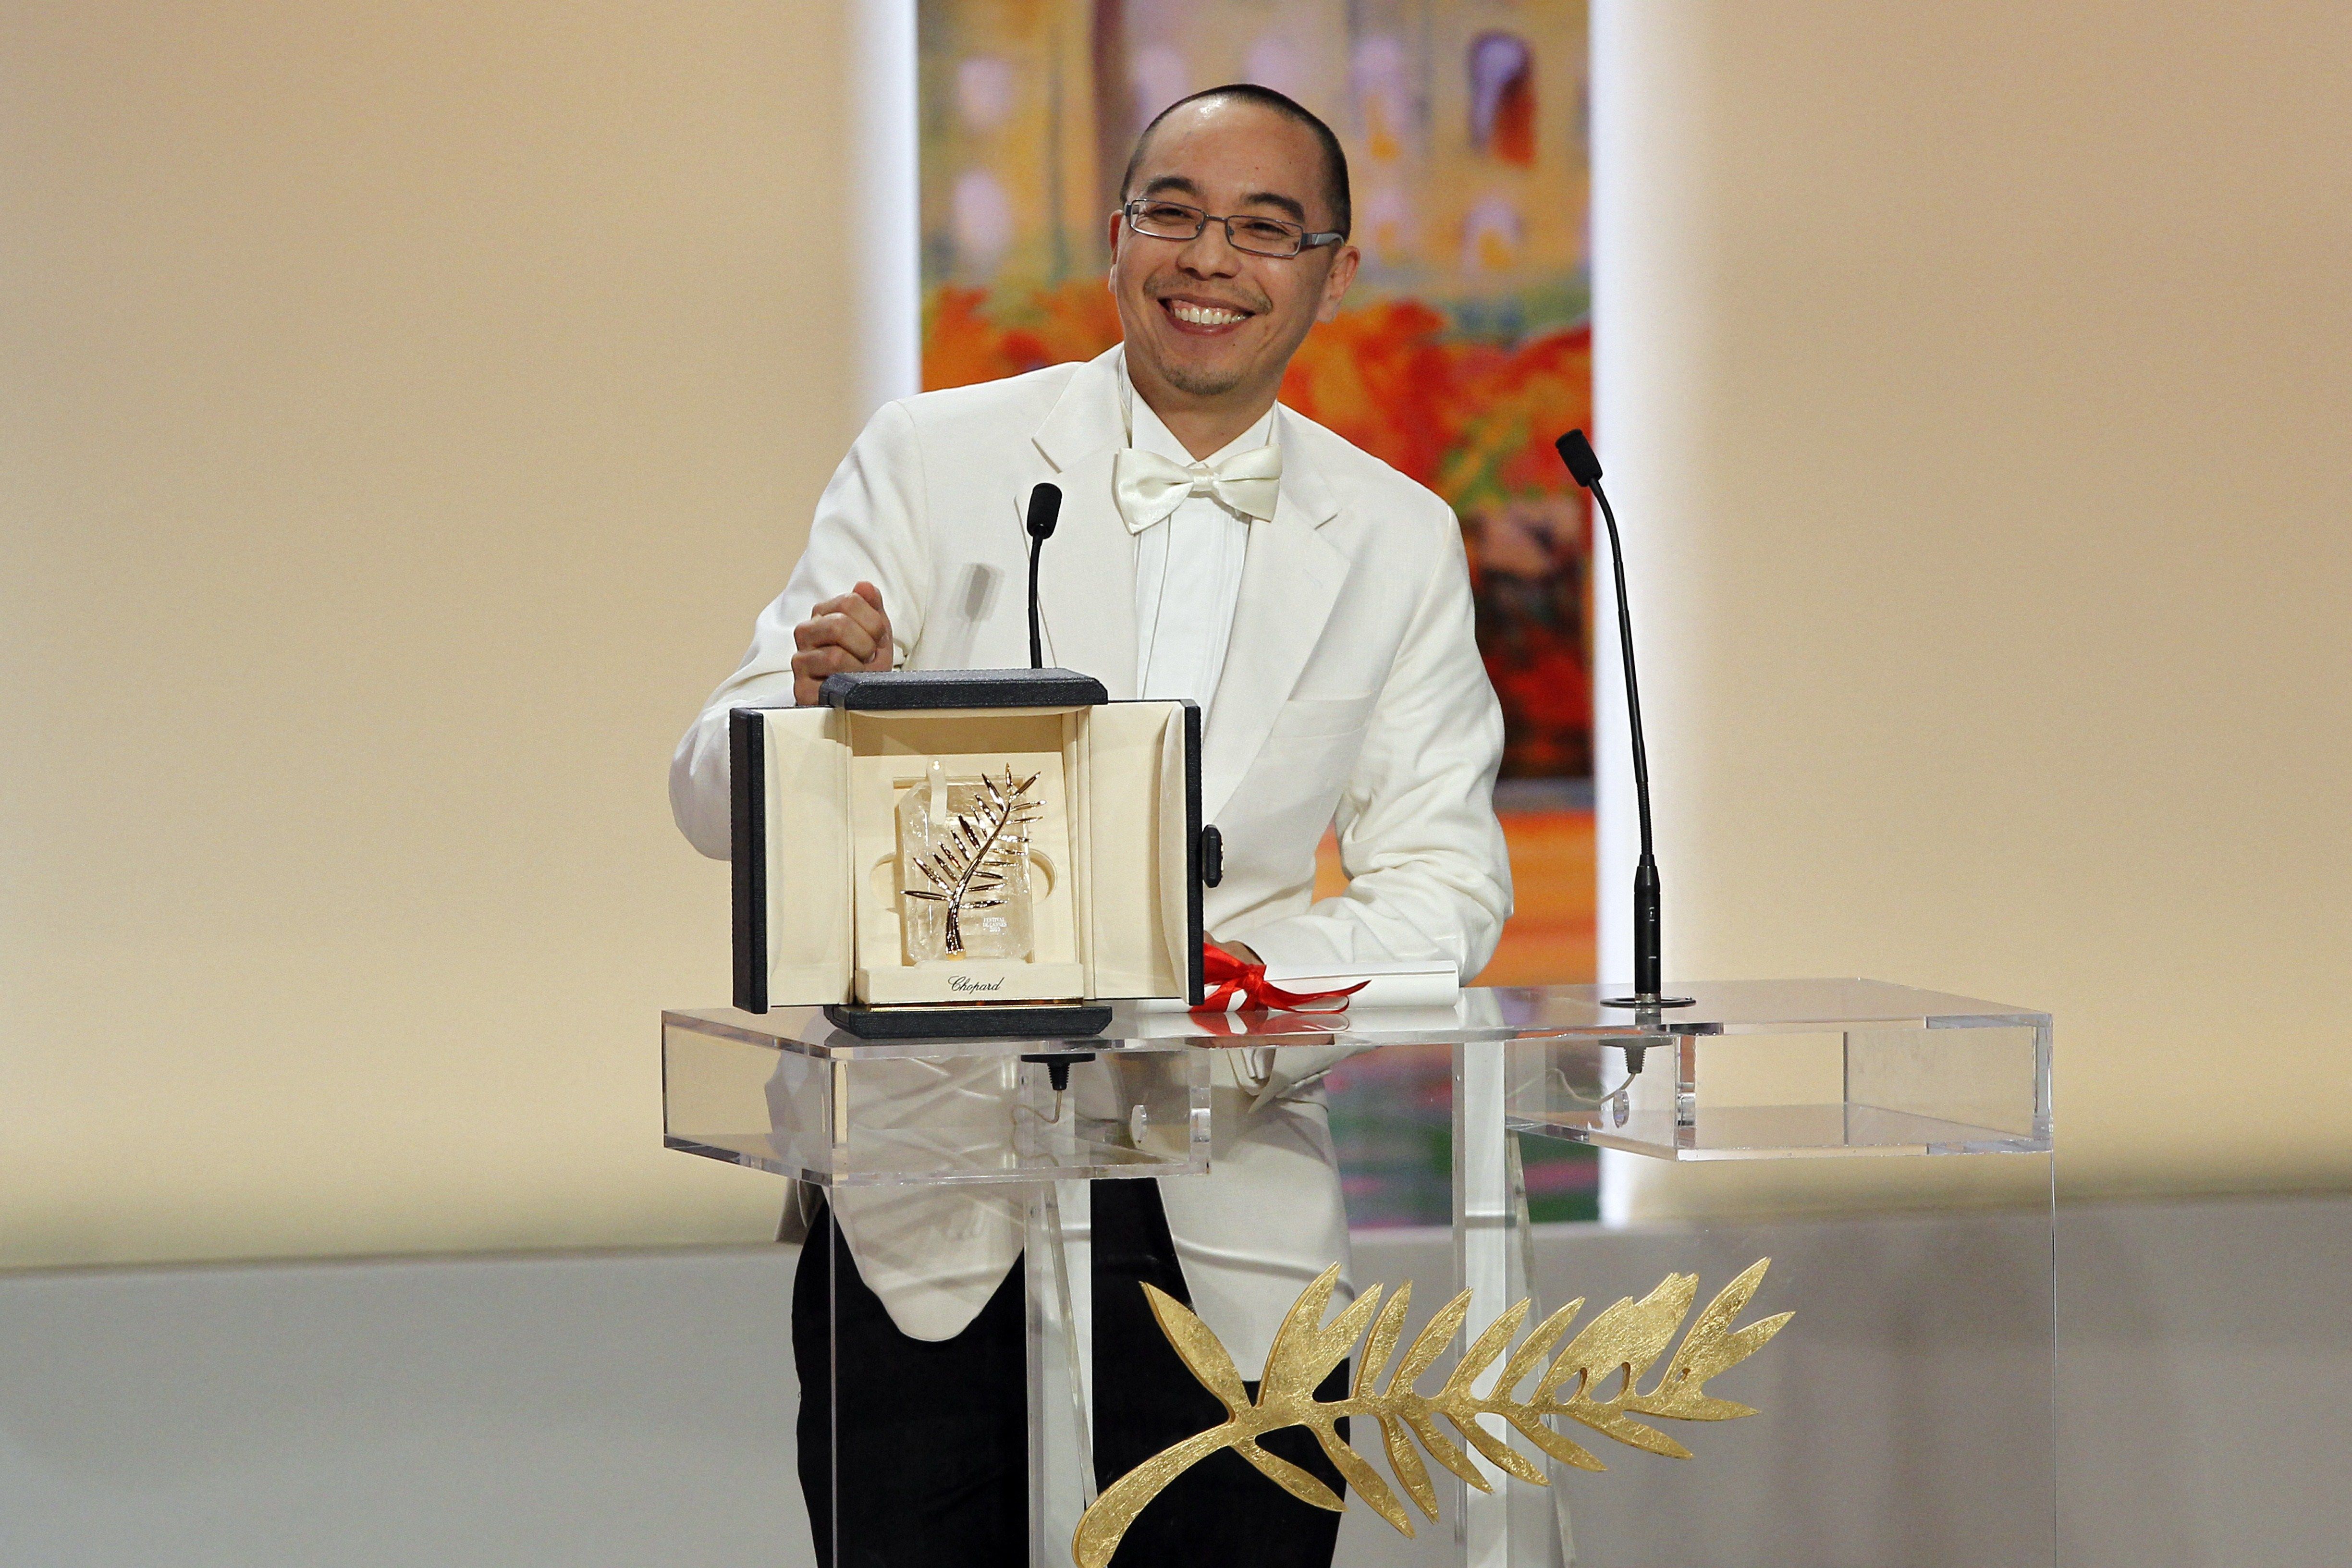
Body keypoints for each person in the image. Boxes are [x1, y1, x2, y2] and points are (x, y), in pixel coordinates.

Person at [671, 84, 1511, 1568]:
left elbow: (1446, 883)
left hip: (1230, 1204)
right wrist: (811, 716)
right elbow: (703, 793)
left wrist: (1210, 989)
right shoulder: (932, 458)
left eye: (1264, 228)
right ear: (1118, 237)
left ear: (1334, 271)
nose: (1211, 258)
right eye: (1174, 215)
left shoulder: (1397, 537)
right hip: (928, 1215)